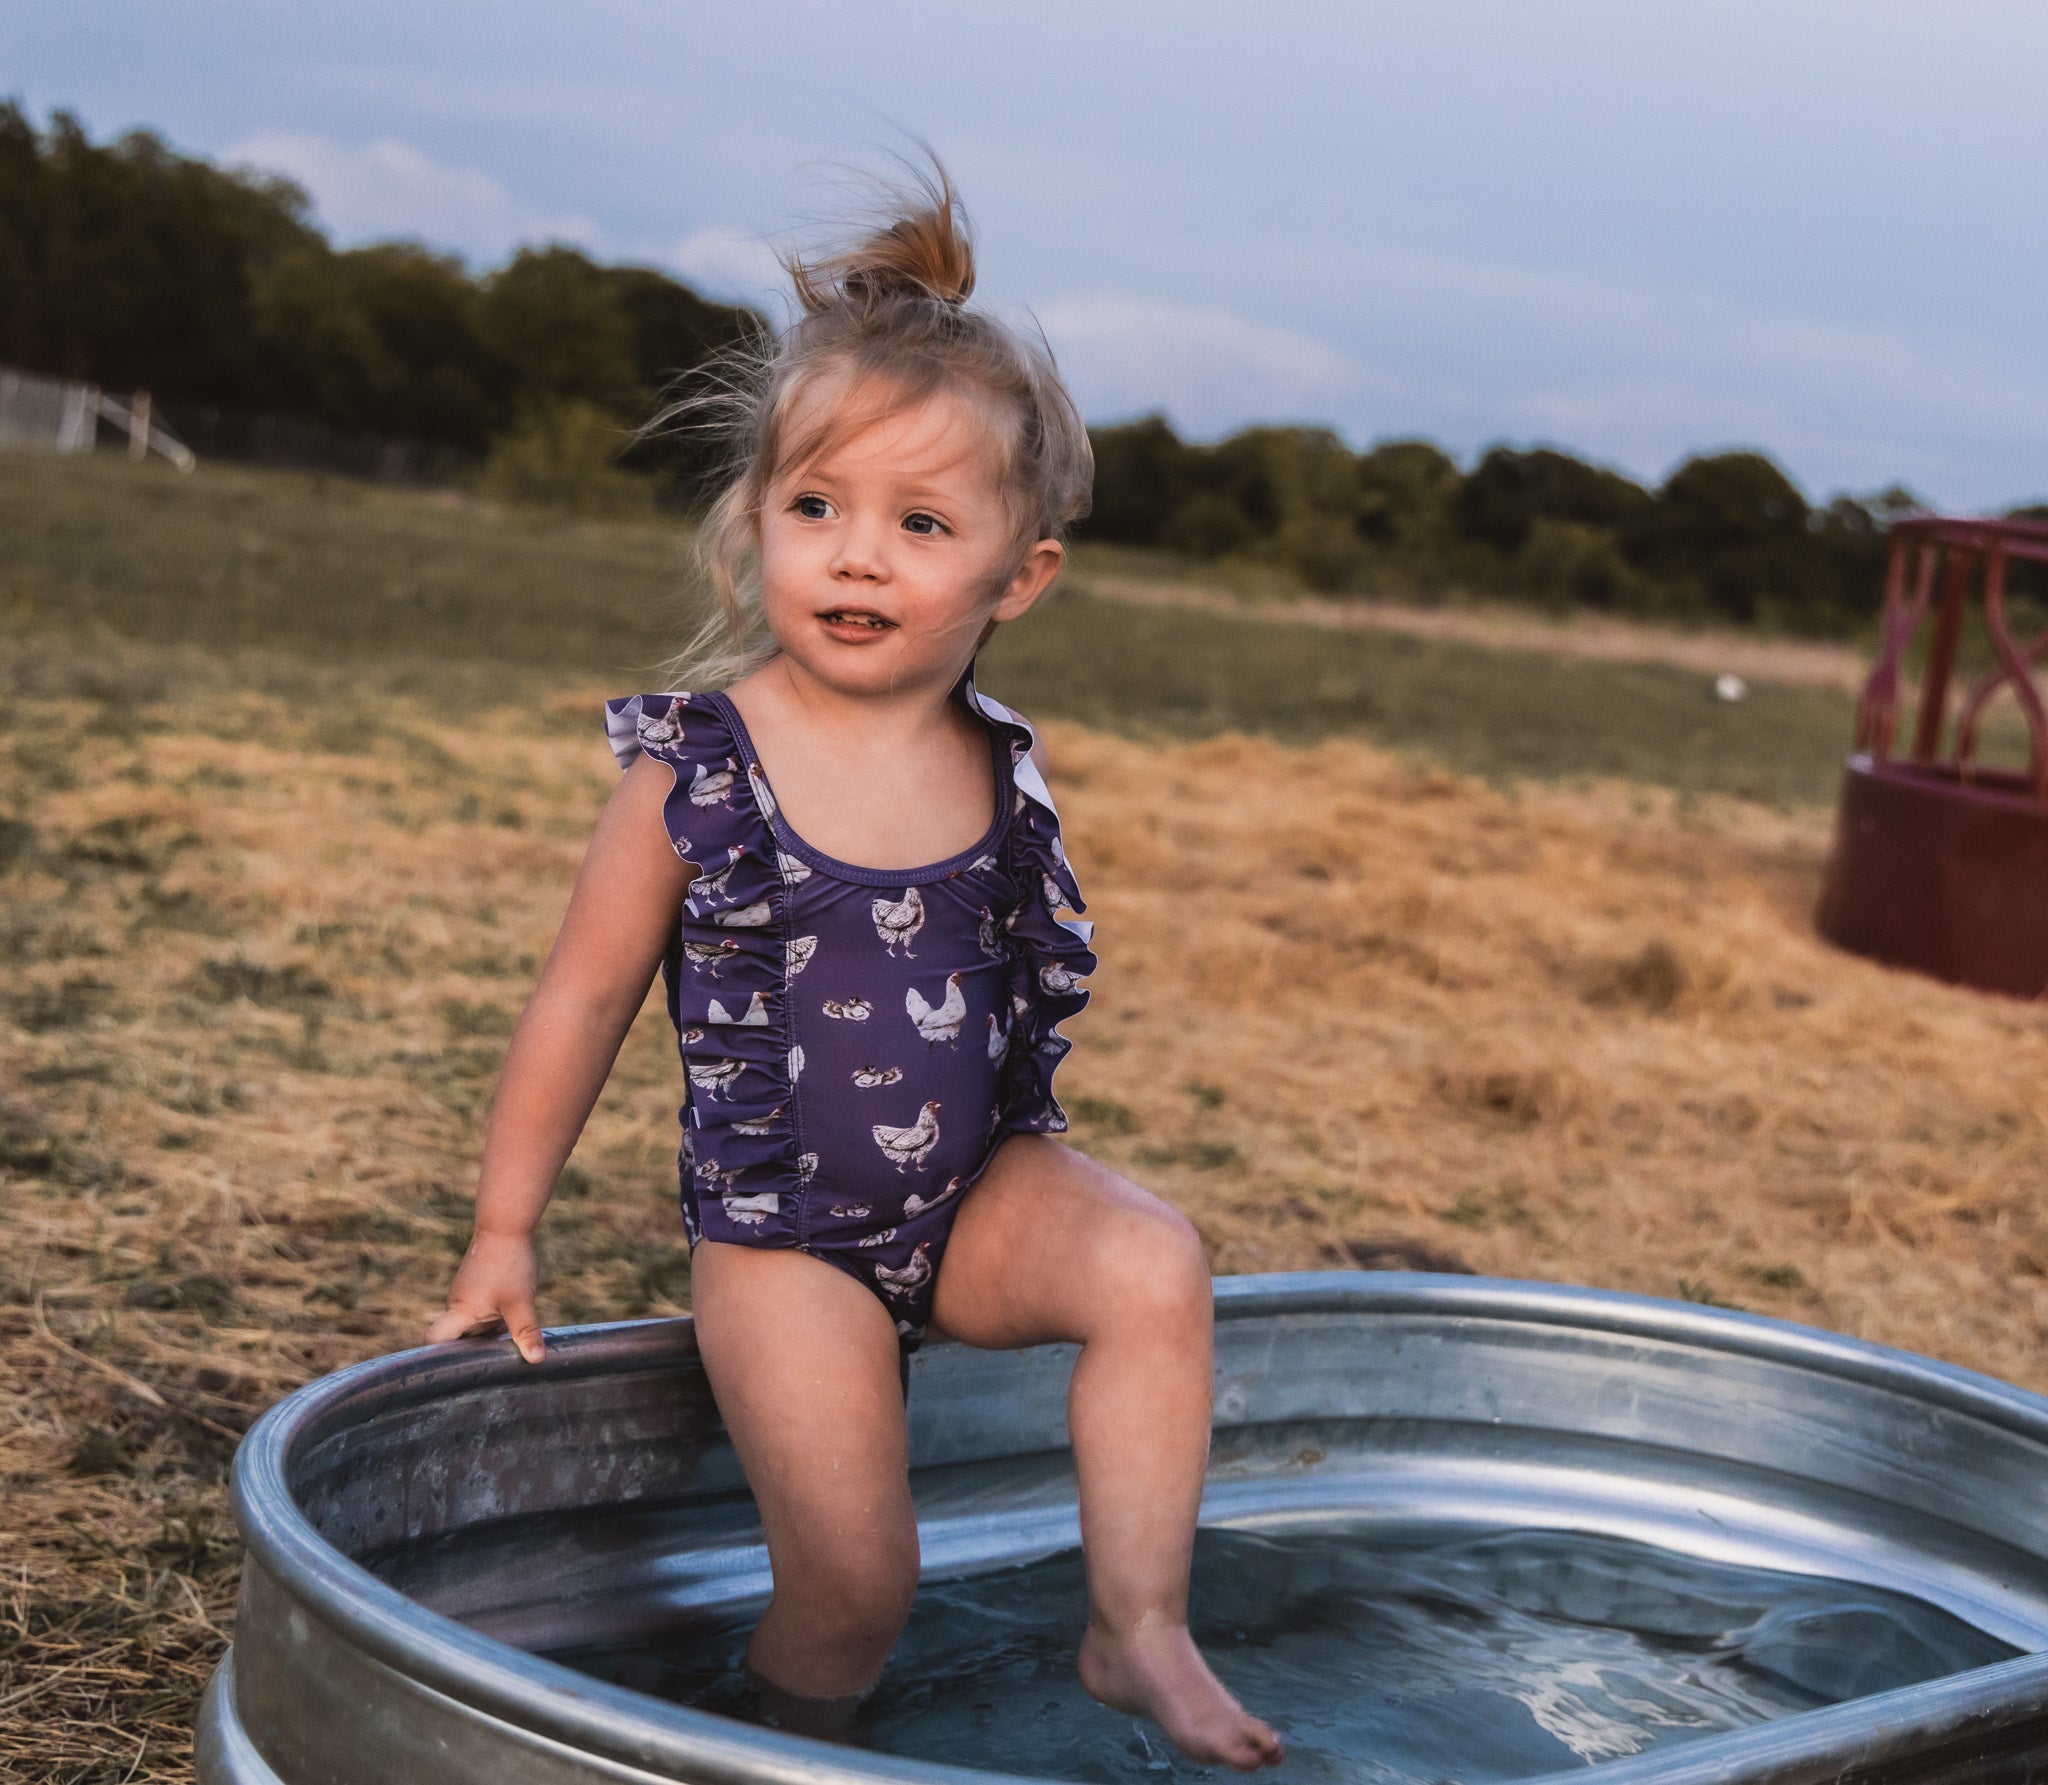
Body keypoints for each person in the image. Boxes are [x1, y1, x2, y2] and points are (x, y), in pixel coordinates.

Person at [427, 162, 1284, 1771]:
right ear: (755, 527)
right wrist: (504, 1225)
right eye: (814, 508)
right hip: (790, 1240)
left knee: (1154, 1263)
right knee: (858, 1582)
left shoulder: (994, 758)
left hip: (972, 1196)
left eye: (920, 523)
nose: (858, 558)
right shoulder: (700, 771)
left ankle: (1139, 1621)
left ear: (1016, 578)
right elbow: (582, 998)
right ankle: (767, 1740)